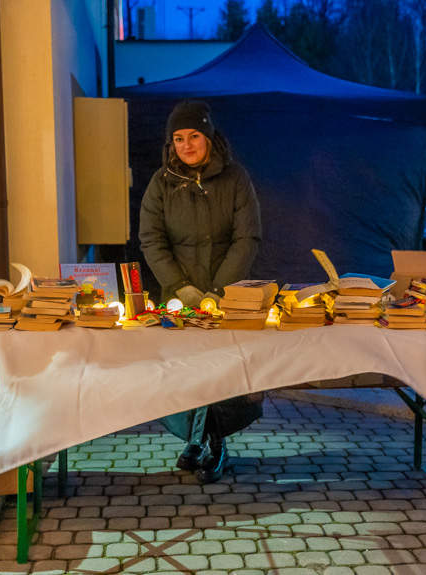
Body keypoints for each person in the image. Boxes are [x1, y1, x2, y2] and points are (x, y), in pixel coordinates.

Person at [139, 100, 263, 483]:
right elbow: (151, 239)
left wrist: (217, 292)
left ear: (209, 137)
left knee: (221, 374)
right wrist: (181, 288)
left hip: (227, 299)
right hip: (178, 301)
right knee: (185, 374)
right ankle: (197, 441)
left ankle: (213, 445)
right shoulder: (161, 183)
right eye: (178, 138)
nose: (186, 145)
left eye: (194, 136)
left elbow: (247, 238)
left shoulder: (236, 178)